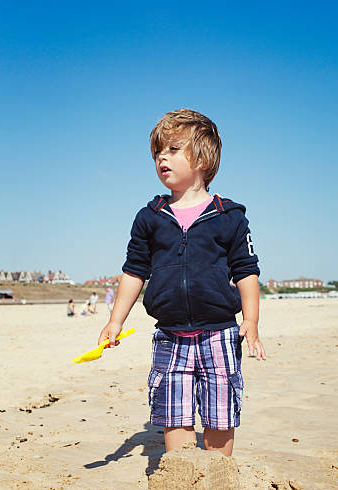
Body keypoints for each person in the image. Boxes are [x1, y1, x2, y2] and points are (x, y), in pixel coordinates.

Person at [98, 108, 266, 458]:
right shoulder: (150, 217)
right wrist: (115, 321)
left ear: (202, 159)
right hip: (169, 333)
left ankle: (217, 478)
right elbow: (134, 271)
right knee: (173, 413)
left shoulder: (228, 216)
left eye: (173, 150)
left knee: (220, 413)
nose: (162, 157)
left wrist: (250, 320)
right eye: (158, 152)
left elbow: (246, 270)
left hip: (219, 332)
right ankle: (179, 480)